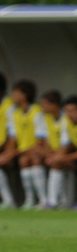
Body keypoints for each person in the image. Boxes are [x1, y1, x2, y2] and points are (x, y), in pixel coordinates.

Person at [0, 79, 50, 209]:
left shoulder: (36, 112)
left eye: (15, 92)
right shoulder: (15, 113)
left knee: (30, 159)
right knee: (20, 160)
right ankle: (24, 200)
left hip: (37, 150)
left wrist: (12, 153)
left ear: (24, 95)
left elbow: (40, 142)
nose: (12, 96)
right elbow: (12, 138)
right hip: (23, 151)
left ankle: (44, 200)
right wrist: (7, 154)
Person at [38, 90, 67, 208]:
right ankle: (45, 200)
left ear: (54, 105)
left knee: (56, 162)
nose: (42, 107)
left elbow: (68, 145)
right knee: (35, 155)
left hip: (69, 153)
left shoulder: (66, 117)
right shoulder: (46, 117)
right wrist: (49, 154)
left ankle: (53, 201)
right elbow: (45, 141)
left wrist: (55, 156)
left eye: (45, 104)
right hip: (55, 152)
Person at [0, 73, 17, 208]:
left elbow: (13, 133)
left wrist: (8, 152)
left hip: (11, 147)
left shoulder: (9, 106)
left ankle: (8, 201)